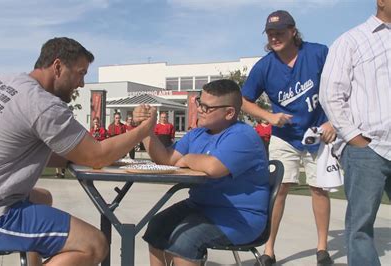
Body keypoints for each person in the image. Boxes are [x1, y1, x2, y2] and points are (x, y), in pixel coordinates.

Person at [0, 37, 157, 266]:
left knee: (43, 198)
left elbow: (28, 150)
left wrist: (80, 157)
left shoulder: (5, 82)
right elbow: (97, 156)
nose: (82, 84)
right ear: (57, 66)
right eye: (80, 73)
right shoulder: (42, 104)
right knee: (95, 244)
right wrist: (145, 129)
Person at [240, 10, 336, 265]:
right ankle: (268, 250)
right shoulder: (265, 66)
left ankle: (322, 249)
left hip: (318, 132)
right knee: (278, 190)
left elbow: (340, 85)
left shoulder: (318, 53)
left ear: (293, 31)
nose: (275, 37)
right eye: (270, 33)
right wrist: (268, 117)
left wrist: (332, 120)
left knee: (319, 189)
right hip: (284, 136)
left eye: (280, 32)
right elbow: (243, 100)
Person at [141, 79, 269, 266]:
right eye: (199, 102)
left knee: (186, 239)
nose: (200, 109)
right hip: (200, 206)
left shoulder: (243, 136)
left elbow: (214, 168)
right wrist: (145, 129)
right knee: (157, 226)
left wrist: (186, 159)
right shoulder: (197, 133)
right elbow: (165, 159)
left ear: (229, 113)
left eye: (207, 107)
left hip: (240, 216)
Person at [319, 1, 391, 265]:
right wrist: (354, 139)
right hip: (368, 149)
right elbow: (330, 94)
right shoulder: (352, 40)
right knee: (360, 226)